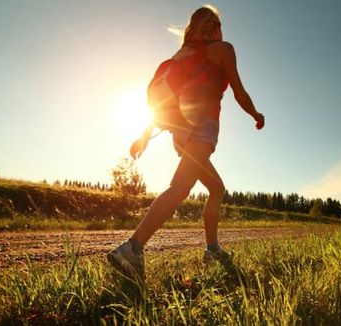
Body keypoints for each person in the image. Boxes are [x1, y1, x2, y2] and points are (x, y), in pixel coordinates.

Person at [107, 5, 265, 279]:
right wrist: (256, 114)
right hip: (202, 128)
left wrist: (144, 136)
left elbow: (165, 101)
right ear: (215, 27)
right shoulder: (223, 49)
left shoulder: (180, 57)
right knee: (180, 188)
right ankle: (132, 247)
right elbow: (239, 92)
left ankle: (212, 248)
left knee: (216, 188)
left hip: (181, 133)